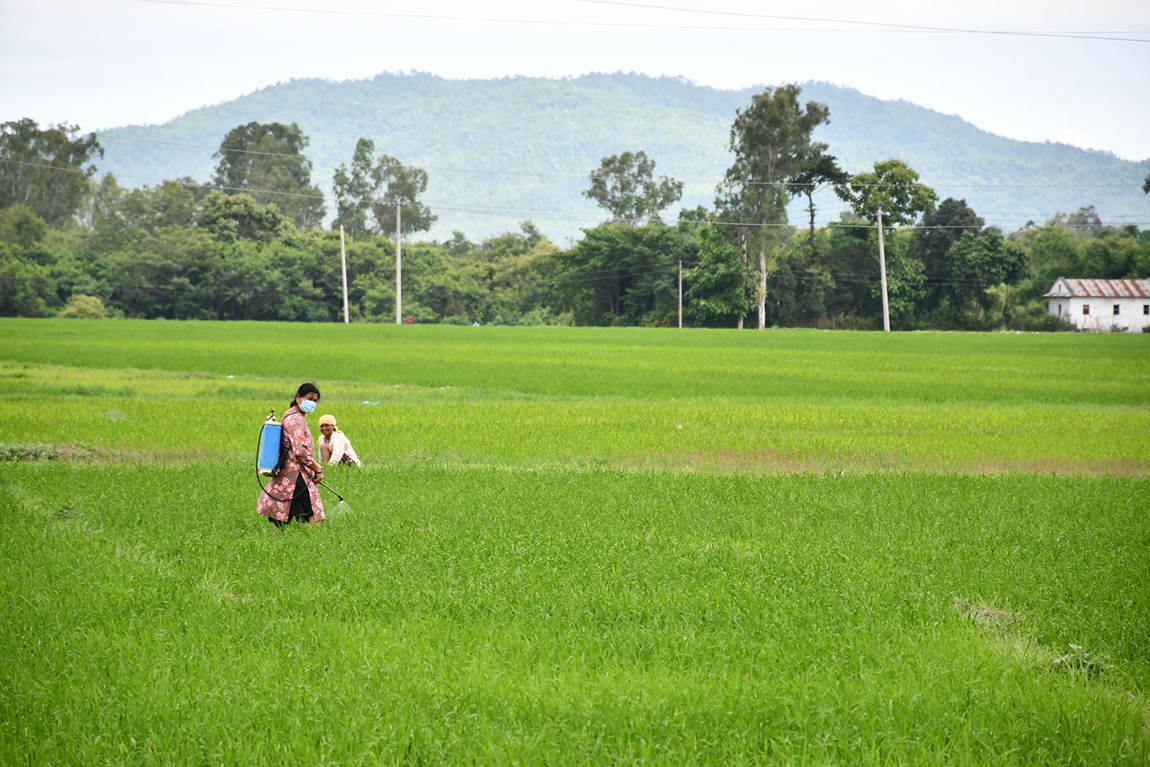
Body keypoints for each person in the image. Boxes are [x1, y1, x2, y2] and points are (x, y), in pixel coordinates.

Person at [256, 383, 325, 527]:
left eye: (315, 401)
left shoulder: (291, 415)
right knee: (312, 513)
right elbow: (300, 452)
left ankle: (278, 546)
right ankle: (316, 545)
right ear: (298, 397)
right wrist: (317, 468)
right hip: (296, 474)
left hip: (289, 474)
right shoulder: (296, 419)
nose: (312, 403)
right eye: (309, 399)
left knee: (282, 517)